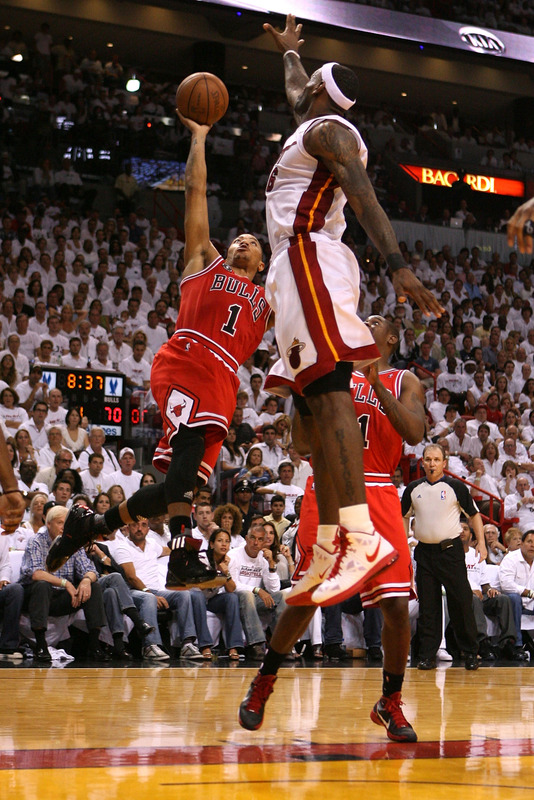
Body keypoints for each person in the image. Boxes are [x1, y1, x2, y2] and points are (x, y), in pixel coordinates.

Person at [256, 14, 442, 615]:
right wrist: (289, 53)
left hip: (311, 256)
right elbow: (294, 91)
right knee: (313, 396)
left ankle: (357, 535)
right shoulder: (308, 122)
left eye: (307, 79)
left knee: (333, 390)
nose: (300, 84)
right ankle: (331, 541)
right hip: (294, 266)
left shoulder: (331, 131)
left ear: (319, 93)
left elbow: (363, 196)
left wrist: (397, 265)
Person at [47, 109, 272, 593]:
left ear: (261, 264)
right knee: (185, 466)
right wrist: (199, 137)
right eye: (236, 240)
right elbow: (195, 193)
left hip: (224, 378)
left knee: (181, 486)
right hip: (187, 360)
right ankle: (181, 556)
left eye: (251, 244)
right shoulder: (202, 263)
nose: (241, 243)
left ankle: (95, 526)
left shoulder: (269, 302)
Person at [239, 314, 425, 740]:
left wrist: (375, 383)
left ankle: (390, 700)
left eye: (375, 321)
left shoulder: (403, 380)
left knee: (396, 606)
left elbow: (415, 432)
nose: (364, 323)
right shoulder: (328, 371)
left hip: (378, 489)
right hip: (327, 486)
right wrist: (302, 398)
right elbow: (302, 445)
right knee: (308, 595)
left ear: (391, 337)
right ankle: (264, 680)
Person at [401, 444, 486, 671]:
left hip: (451, 552)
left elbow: (475, 515)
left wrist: (482, 543)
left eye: (436, 459)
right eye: (428, 459)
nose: (432, 463)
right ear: (422, 461)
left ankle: (470, 652)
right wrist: (402, 547)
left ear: (444, 463)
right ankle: (427, 655)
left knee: (461, 602)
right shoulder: (412, 489)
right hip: (424, 554)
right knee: (428, 607)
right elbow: (404, 519)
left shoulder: (455, 486)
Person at [19, 505, 110, 663]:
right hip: (35, 596)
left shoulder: (73, 543)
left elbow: (90, 570)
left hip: (62, 598)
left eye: (66, 524)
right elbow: (36, 573)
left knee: (94, 586)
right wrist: (66, 583)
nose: (63, 528)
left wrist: (86, 580)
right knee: (42, 585)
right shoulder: (36, 541)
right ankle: (41, 645)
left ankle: (95, 646)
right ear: (48, 524)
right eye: (59, 523)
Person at [228, 522, 287, 661]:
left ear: (264, 542)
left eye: (260, 539)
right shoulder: (234, 555)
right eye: (253, 538)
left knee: (283, 595)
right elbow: (233, 585)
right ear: (247, 539)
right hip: (235, 598)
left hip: (255, 599)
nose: (256, 543)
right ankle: (256, 645)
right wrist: (257, 590)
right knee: (247, 594)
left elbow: (274, 589)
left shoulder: (264, 559)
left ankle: (282, 644)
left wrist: (272, 565)